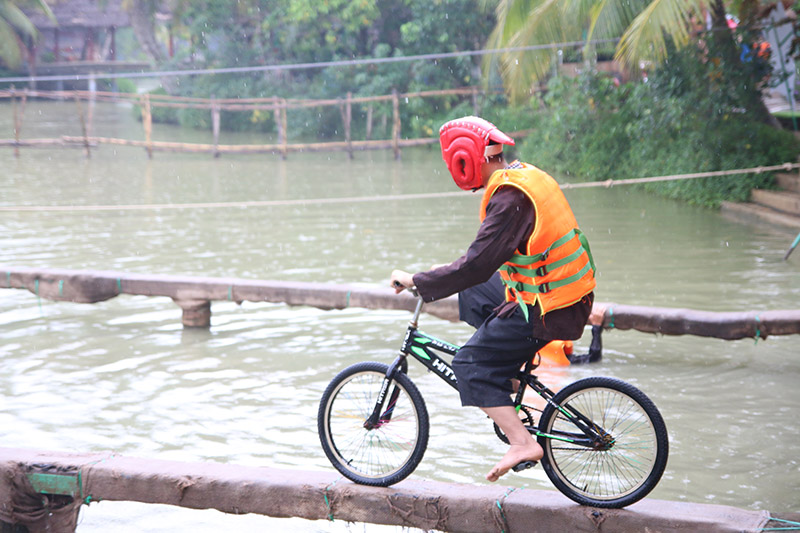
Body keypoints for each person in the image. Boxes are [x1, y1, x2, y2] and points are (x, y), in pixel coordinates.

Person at [390, 116, 596, 483]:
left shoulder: (509, 199)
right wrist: (441, 274)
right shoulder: (520, 177)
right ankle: (504, 370)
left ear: (466, 159)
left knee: (467, 364)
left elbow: (477, 264)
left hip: (551, 308)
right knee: (469, 291)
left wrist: (418, 280)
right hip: (559, 295)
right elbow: (480, 267)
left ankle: (521, 441)